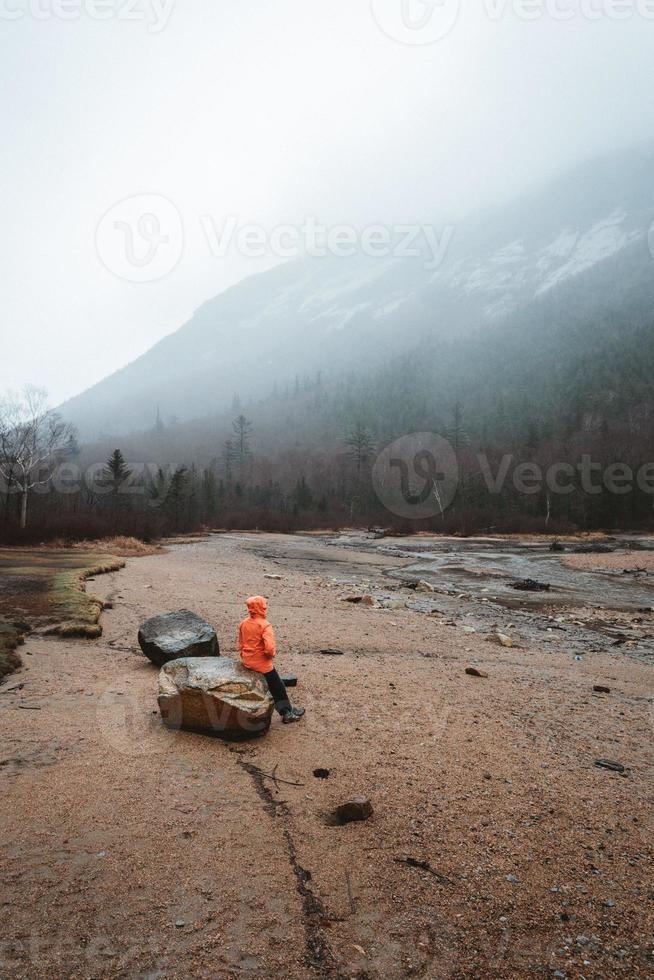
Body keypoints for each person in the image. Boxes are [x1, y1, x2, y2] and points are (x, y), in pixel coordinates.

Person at [238, 596, 305, 724]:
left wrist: (245, 656)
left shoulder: (244, 623)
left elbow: (240, 643)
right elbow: (269, 649)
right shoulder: (265, 625)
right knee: (277, 686)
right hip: (262, 664)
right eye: (264, 606)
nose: (265, 608)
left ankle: (289, 709)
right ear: (261, 608)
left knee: (276, 683)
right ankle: (286, 713)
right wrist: (270, 656)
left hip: (247, 661)